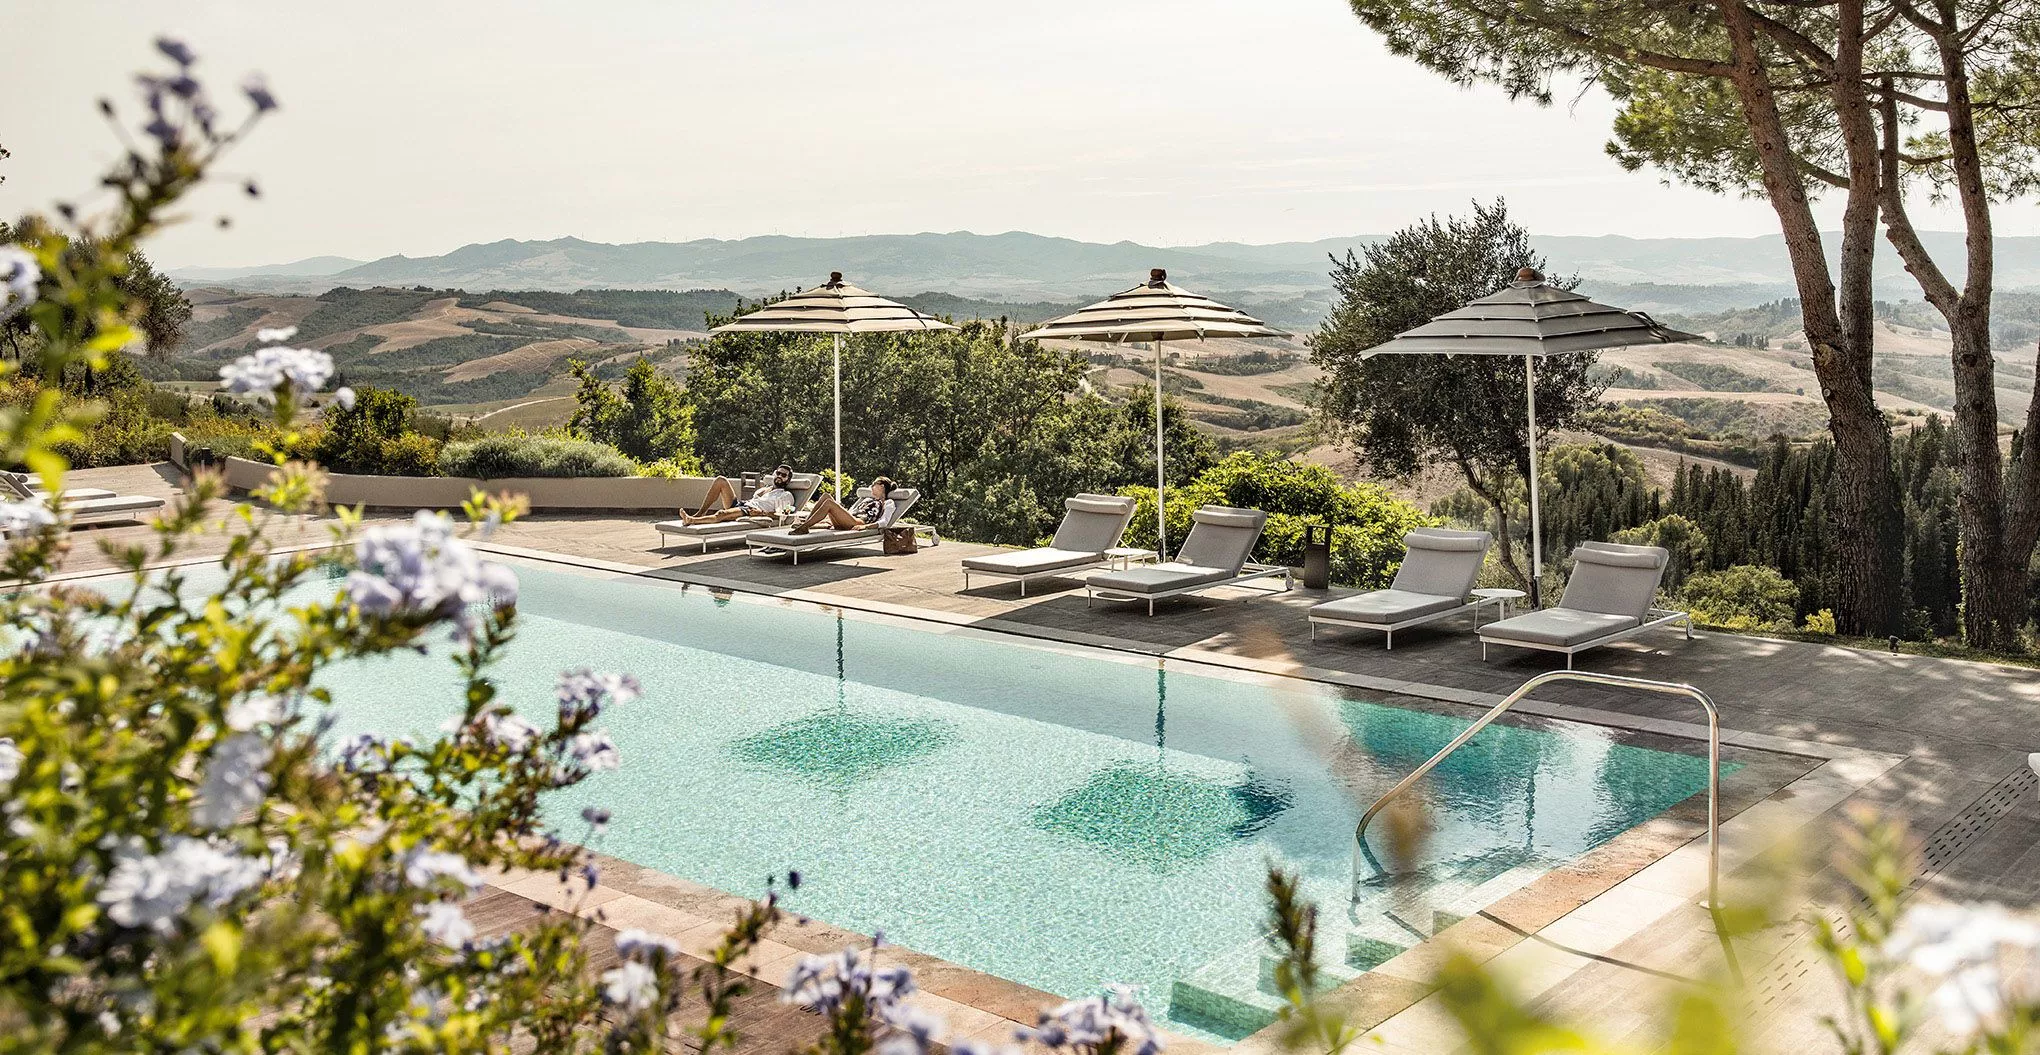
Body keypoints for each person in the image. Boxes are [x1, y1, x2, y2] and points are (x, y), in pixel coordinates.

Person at [682, 464, 799, 525]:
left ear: (788, 480)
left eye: (783, 475)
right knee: (720, 480)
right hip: (742, 504)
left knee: (722, 513)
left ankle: (691, 520)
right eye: (778, 473)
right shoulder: (766, 489)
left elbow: (784, 515)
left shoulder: (786, 495)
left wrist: (762, 513)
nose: (779, 476)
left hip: (751, 510)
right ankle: (700, 514)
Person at [789, 476, 900, 534]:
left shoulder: (888, 503)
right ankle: (806, 525)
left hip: (857, 523)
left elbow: (884, 522)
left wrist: (865, 526)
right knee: (826, 496)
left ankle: (805, 527)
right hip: (848, 521)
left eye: (874, 484)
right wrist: (830, 519)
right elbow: (851, 511)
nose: (871, 486)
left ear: (882, 486)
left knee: (829, 503)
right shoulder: (867, 499)